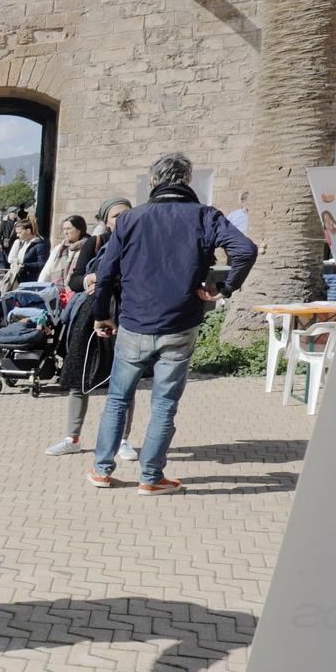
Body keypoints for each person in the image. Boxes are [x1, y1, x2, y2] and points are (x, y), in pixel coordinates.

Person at [87, 152, 257, 495]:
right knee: (164, 403)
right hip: (180, 323)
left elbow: (106, 273)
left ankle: (101, 470)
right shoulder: (205, 216)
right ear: (187, 180)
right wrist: (223, 287)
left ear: (153, 182)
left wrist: (101, 314)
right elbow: (245, 250)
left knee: (118, 399)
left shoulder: (131, 219)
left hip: (134, 322)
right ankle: (150, 477)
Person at [47, 271, 134, 459]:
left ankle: (122, 440)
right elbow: (75, 281)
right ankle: (72, 439)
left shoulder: (137, 242)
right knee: (79, 377)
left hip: (124, 312)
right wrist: (91, 279)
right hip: (88, 316)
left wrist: (110, 281)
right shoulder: (95, 244)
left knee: (124, 381)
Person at [39, 215, 96, 289]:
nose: (65, 232)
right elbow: (46, 272)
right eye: (64, 229)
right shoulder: (59, 249)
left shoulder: (89, 247)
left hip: (79, 292)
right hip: (58, 292)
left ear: (79, 230)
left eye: (68, 229)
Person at [8, 218, 49, 285]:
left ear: (28, 231)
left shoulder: (40, 245)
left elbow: (42, 264)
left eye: (20, 232)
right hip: (21, 279)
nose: (17, 235)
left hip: (32, 281)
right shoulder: (23, 243)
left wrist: (25, 266)